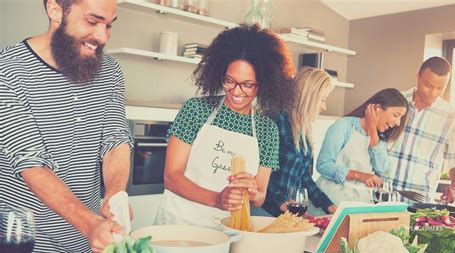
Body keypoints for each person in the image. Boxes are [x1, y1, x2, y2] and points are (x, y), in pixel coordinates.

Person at [0, 0, 133, 253]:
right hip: (25, 244)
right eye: (92, 22)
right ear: (55, 10)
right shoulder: (8, 71)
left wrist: (115, 195)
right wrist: (89, 224)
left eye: (108, 25)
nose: (102, 36)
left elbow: (115, 140)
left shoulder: (111, 72)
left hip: (90, 244)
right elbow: (31, 162)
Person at [153, 24, 295, 229]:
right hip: (178, 223)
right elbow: (172, 176)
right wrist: (217, 199)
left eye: (247, 84)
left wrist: (252, 191)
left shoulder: (267, 130)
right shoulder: (196, 110)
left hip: (228, 231)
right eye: (230, 81)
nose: (236, 91)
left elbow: (261, 196)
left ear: (264, 84)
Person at [386, 57, 455, 203]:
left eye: (440, 88)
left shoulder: (453, 118)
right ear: (418, 77)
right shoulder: (394, 101)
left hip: (419, 203)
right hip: (380, 195)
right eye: (428, 85)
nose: (433, 93)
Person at [261, 67, 337, 217]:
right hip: (266, 211)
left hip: (288, 215)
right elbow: (260, 177)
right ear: (309, 97)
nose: (324, 107)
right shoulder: (275, 121)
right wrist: (283, 204)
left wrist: (329, 206)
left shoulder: (304, 132)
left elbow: (304, 178)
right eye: (322, 99)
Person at [316, 88, 408, 205]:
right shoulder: (344, 126)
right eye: (396, 115)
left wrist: (373, 133)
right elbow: (323, 165)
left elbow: (384, 174)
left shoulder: (380, 139)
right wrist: (359, 176)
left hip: (360, 205)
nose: (398, 123)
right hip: (331, 203)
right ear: (377, 109)